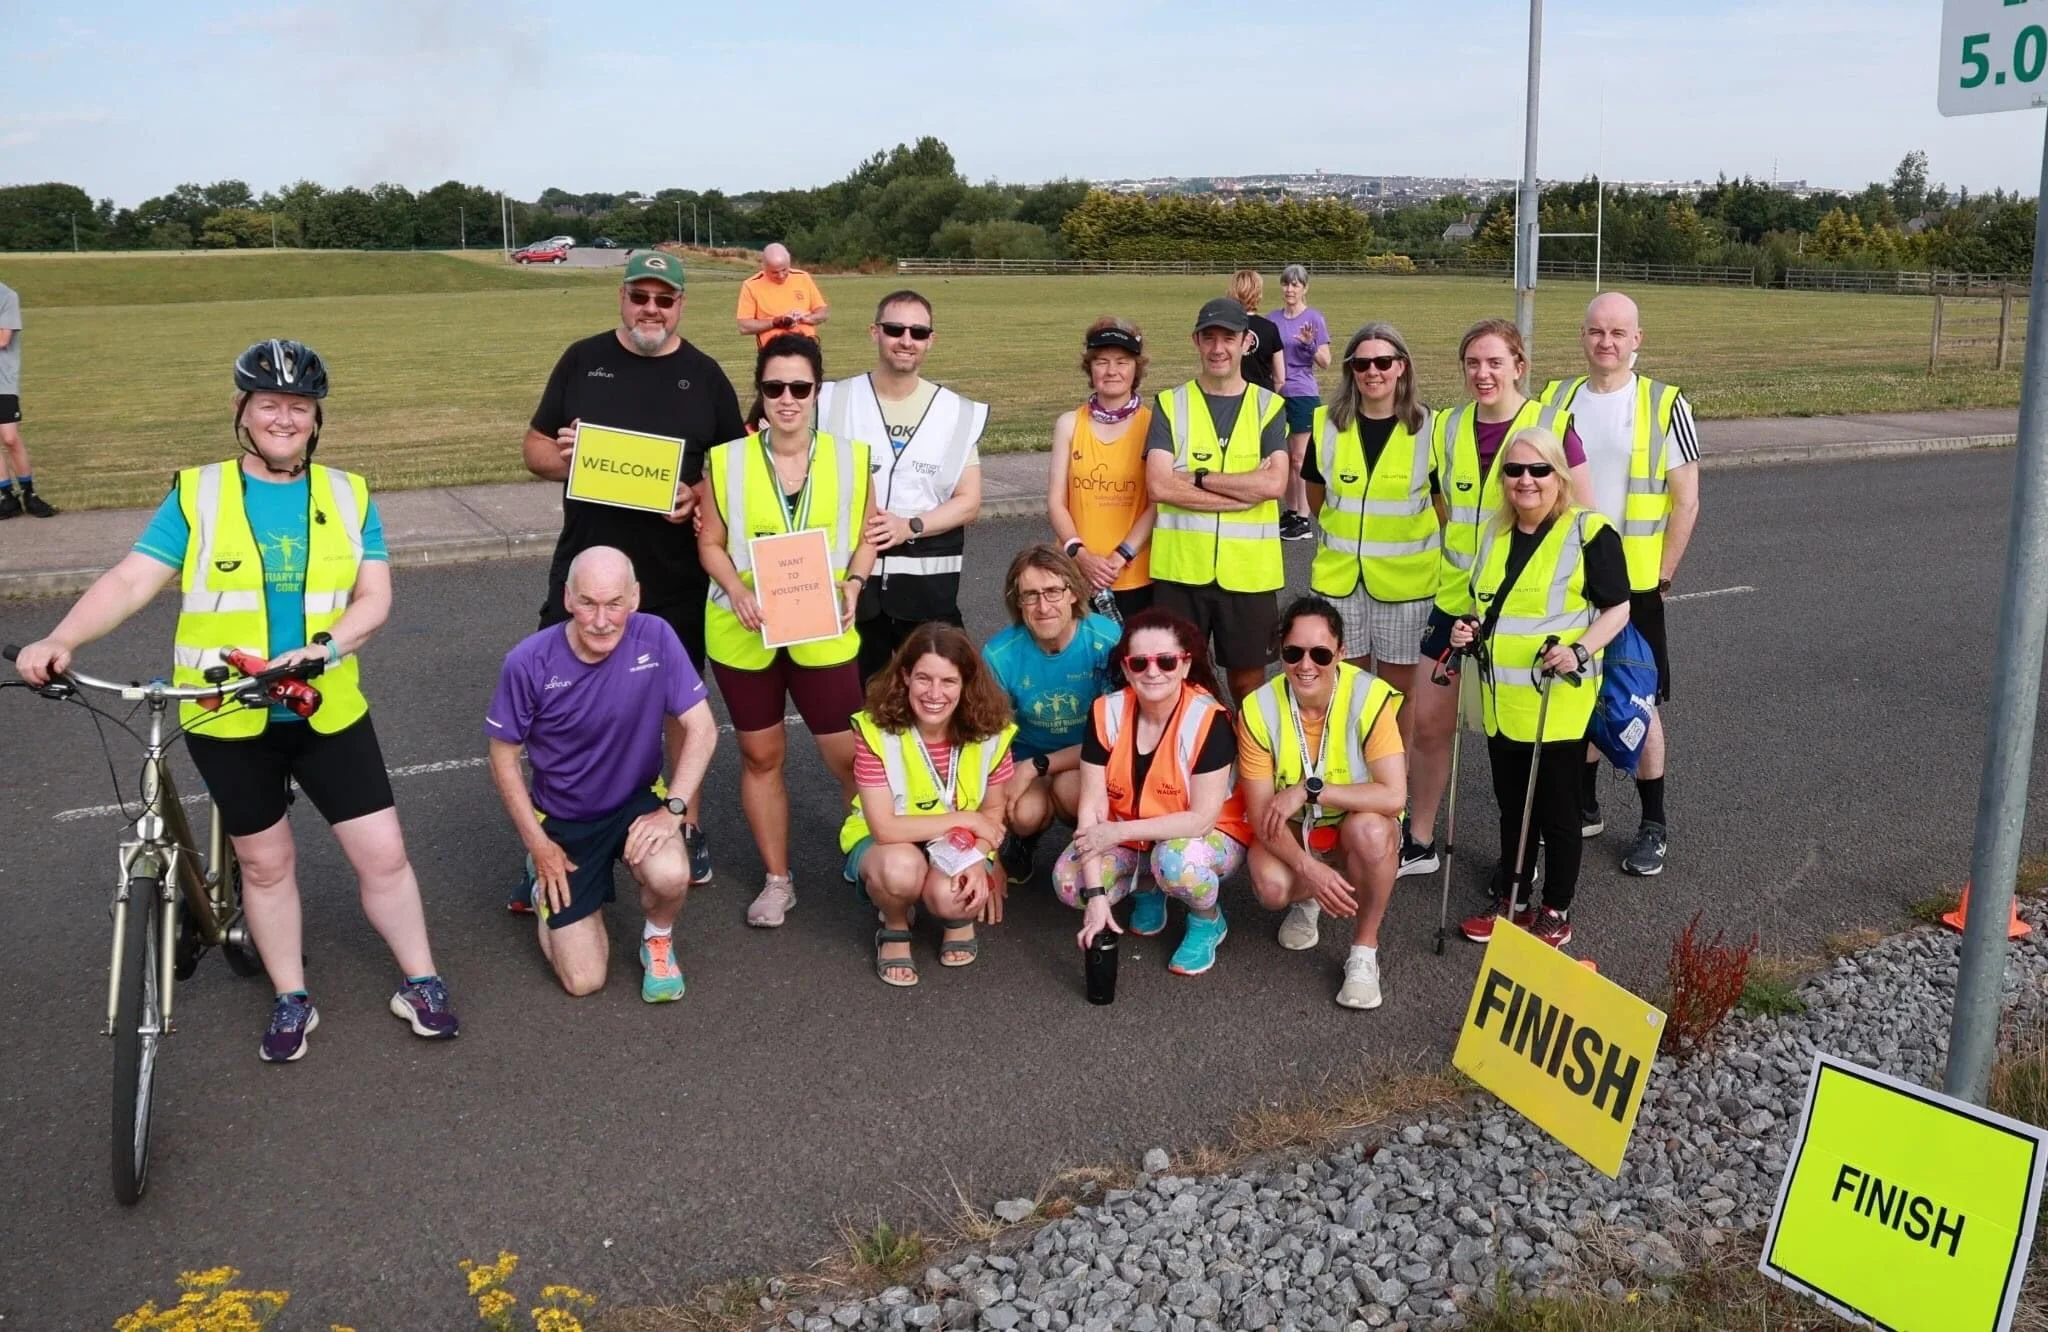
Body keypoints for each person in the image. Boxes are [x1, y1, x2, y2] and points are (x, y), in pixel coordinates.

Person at [13, 339, 457, 1062]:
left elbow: (374, 598)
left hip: (325, 706)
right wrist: (60, 639)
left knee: (382, 856)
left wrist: (329, 645)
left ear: (316, 421)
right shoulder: (197, 493)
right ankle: (291, 994)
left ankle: (423, 979)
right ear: (242, 412)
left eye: (300, 408)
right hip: (227, 715)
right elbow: (130, 580)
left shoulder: (349, 494)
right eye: (270, 404)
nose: (285, 419)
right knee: (265, 866)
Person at [521, 250, 739, 890]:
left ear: (680, 305)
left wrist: (697, 496)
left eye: (664, 299)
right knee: (561, 707)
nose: (651, 309)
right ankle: (549, 836)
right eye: (640, 296)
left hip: (672, 577)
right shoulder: (582, 359)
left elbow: (729, 474)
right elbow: (533, 446)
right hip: (587, 574)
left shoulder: (704, 376)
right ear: (622, 298)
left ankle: (685, 828)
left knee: (677, 710)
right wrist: (571, 460)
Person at [1399, 318, 1592, 883]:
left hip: (1524, 613)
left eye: (1494, 363)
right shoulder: (1447, 426)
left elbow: (1583, 517)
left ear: (1519, 366)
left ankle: (1523, 858)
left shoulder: (1552, 424)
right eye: (1472, 364)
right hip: (1455, 605)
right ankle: (1420, 838)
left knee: (1515, 740)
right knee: (1431, 725)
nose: (1483, 374)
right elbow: (1442, 501)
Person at [699, 333, 878, 928]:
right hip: (743, 627)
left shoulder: (853, 458)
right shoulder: (725, 461)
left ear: (817, 391)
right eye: (774, 387)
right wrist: (741, 591)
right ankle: (779, 880)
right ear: (761, 392)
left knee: (850, 757)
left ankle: (880, 853)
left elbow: (866, 540)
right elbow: (710, 544)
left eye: (799, 387)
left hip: (822, 625)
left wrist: (854, 585)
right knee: (760, 754)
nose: (787, 399)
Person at [486, 548, 718, 1000]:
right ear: (568, 598)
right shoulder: (527, 662)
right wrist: (540, 845)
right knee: (584, 981)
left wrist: (673, 810)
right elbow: (502, 760)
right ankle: (541, 884)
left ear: (634, 598)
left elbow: (703, 729)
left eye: (614, 603)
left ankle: (658, 939)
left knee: (671, 873)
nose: (601, 620)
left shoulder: (657, 636)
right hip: (565, 820)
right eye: (588, 603)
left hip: (636, 801)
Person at [1448, 427, 1630, 949]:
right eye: (1514, 470)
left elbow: (1618, 606)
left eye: (1538, 470)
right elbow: (1485, 606)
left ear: (1560, 475)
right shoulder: (1494, 535)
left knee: (1557, 808)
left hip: (1558, 701)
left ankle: (1556, 909)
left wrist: (1579, 650)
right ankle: (1513, 900)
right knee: (1513, 806)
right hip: (1503, 700)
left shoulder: (1588, 531)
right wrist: (1468, 629)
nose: (1525, 481)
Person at [1540, 291, 1701, 879]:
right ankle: (1584, 804)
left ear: (1638, 340)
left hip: (1632, 585)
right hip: (1565, 581)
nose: (1605, 342)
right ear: (1582, 336)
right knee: (1576, 691)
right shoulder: (1555, 398)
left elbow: (1686, 500)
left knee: (1635, 700)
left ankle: (1653, 822)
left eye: (1618, 333)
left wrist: (1659, 579)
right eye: (1595, 331)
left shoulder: (1663, 404)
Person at [1058, 609, 1252, 978]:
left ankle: (1206, 919)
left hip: (1207, 836)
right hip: (1136, 836)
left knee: (1177, 865)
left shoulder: (1208, 720)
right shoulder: (1105, 712)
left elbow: (1200, 820)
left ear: (1184, 665)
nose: (1153, 671)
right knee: (1071, 883)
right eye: (1140, 662)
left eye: (1166, 660)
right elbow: (1091, 810)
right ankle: (1147, 886)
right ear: (1127, 668)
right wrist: (1098, 898)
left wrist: (1117, 833)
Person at [1238, 598, 1406, 1009]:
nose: (1305, 665)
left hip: (1353, 823)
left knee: (1370, 831)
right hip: (1296, 827)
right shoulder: (1257, 708)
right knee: (1271, 887)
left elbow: (1393, 794)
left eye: (1320, 653)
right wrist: (1308, 868)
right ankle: (1308, 895)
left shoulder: (1369, 697)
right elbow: (1262, 816)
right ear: (1282, 652)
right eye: (1293, 653)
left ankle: (1364, 952)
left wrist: (1311, 789)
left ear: (1341, 653)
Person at [818, 290, 989, 682]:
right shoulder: (831, 400)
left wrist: (909, 525)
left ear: (931, 339)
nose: (906, 339)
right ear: (874, 332)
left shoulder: (958, 412)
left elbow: (969, 501)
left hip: (929, 591)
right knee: (863, 709)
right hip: (851, 591)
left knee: (943, 699)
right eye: (895, 329)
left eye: (917, 331)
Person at [840, 624, 1017, 987]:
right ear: (905, 676)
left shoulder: (992, 730)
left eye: (949, 681)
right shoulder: (876, 730)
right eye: (923, 678)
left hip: (956, 842)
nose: (934, 693)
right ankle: (895, 923)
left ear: (966, 682)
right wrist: (968, 818)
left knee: (950, 895)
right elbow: (884, 828)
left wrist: (980, 858)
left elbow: (995, 811)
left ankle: (956, 919)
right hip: (888, 843)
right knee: (900, 870)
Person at [1143, 298, 1290, 707]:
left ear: (1246, 342)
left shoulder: (1269, 406)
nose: (1218, 348)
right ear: (1196, 341)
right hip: (1181, 573)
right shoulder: (1172, 403)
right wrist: (1239, 496)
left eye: (1229, 337)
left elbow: (1275, 483)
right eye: (1209, 338)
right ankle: (1192, 770)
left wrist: (1198, 477)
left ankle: (1250, 771)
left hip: (1249, 575)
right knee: (1183, 688)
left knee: (1248, 689)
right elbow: (1159, 486)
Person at [1301, 323, 1441, 735]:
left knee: (1399, 693)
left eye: (1383, 361)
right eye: (1361, 363)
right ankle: (1352, 773)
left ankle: (1392, 783)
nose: (1372, 372)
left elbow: (1441, 507)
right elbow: (1315, 495)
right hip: (1339, 581)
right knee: (1344, 686)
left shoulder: (1430, 428)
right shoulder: (1327, 425)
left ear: (1402, 367)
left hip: (1406, 587)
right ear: (1350, 370)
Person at [981, 545, 1122, 886]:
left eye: (1053, 591)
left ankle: (1090, 846)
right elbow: (987, 737)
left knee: (1074, 790)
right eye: (1030, 595)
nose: (1043, 607)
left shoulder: (1108, 639)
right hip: (1027, 754)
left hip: (1091, 756)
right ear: (1017, 602)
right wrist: (984, 854)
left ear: (1073, 592)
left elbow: (1116, 734)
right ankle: (1023, 840)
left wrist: (1036, 766)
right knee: (1023, 812)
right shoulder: (998, 654)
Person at [1047, 318, 1157, 620]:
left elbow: (1156, 504)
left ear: (1136, 369)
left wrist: (1120, 557)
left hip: (1134, 574)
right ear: (1089, 367)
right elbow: (1056, 502)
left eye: (1122, 362)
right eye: (1101, 362)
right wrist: (1080, 555)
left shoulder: (1154, 425)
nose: (1111, 371)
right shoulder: (1069, 424)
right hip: (1074, 573)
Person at [1270, 265, 1332, 542]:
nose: (1290, 290)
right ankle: (1292, 510)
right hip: (1275, 393)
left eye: (1295, 285)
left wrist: (1309, 344)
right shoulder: (1271, 319)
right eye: (1286, 284)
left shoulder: (1314, 319)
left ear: (1305, 288)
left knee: (1299, 459)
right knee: (1280, 457)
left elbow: (1326, 362)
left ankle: (1305, 519)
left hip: (1302, 392)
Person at [0, 279, 56, 518]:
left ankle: (29, 493)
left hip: (3, 381)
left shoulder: (7, 296)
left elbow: (4, 338)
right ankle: (6, 497)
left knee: (10, 437)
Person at [735, 243, 830, 348]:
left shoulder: (803, 278)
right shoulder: (751, 285)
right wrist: (774, 322)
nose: (780, 276)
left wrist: (805, 318)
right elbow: (744, 326)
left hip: (807, 347)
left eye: (784, 270)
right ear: (764, 266)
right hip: (773, 352)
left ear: (789, 263)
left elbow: (823, 313)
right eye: (774, 272)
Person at [1227, 270, 1285, 395]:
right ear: (1258, 293)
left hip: (1232, 396)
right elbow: (1279, 378)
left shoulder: (1225, 326)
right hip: (1263, 397)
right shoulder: (1270, 328)